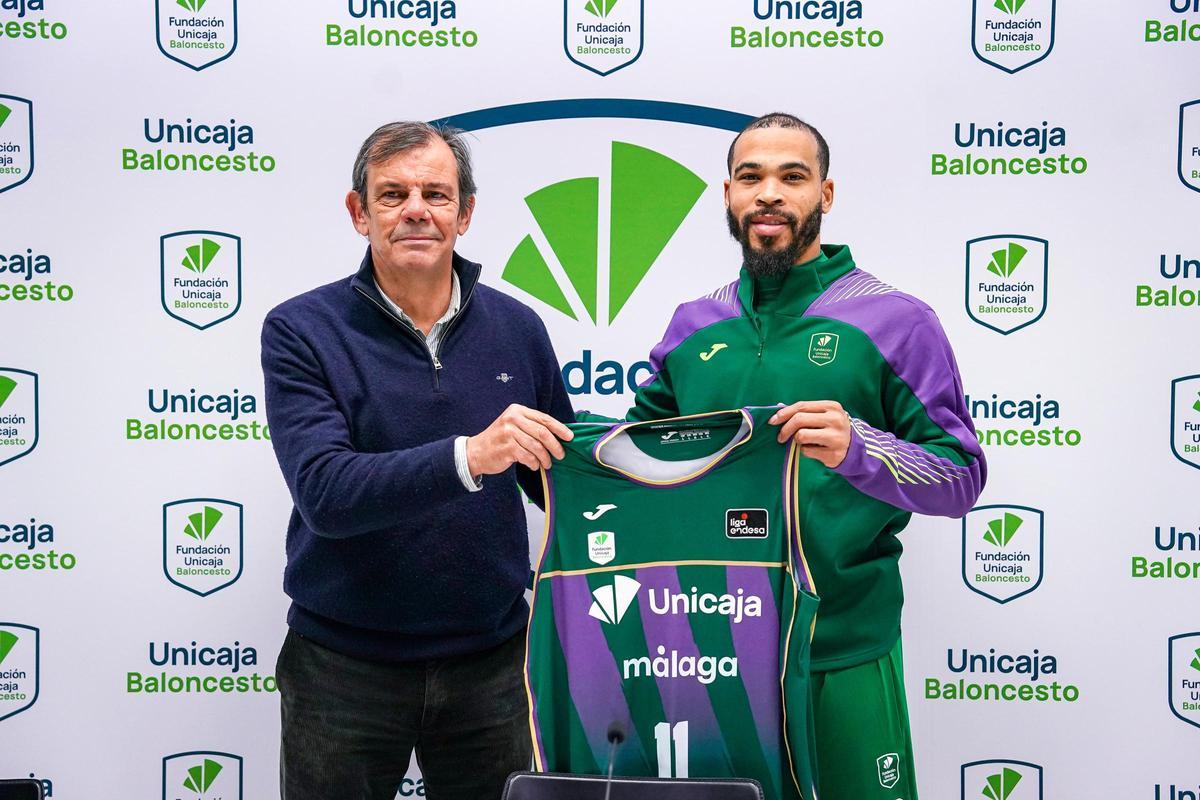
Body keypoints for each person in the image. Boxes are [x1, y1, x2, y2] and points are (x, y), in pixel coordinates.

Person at [621, 113, 987, 800]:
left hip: (841, 650)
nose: (769, 193)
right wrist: (546, 452)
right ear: (728, 194)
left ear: (826, 194)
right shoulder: (693, 325)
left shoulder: (896, 321)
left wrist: (861, 447)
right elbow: (632, 464)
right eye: (751, 177)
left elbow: (961, 476)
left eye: (792, 176)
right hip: (709, 657)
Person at [261, 121, 574, 800]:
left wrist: (680, 476)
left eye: (435, 194)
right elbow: (326, 493)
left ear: (465, 214)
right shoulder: (301, 330)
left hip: (492, 663)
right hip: (342, 667)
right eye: (392, 194)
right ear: (359, 212)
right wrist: (470, 456)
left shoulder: (518, 329)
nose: (415, 210)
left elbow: (562, 478)